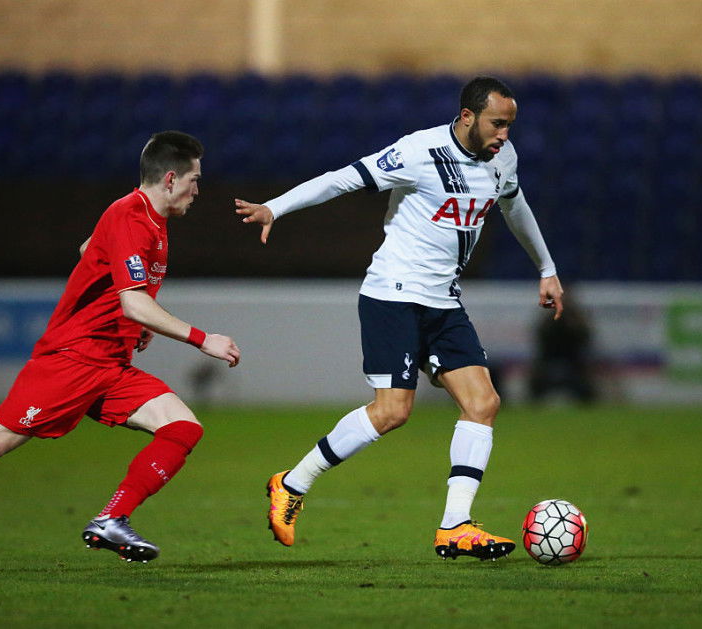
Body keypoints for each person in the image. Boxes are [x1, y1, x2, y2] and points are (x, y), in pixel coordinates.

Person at [0, 131, 241, 575]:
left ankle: (112, 518)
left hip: (110, 365)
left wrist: (128, 324)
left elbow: (89, 252)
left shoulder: (150, 220)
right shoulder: (131, 215)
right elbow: (132, 298)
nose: (199, 190)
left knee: (183, 427)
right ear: (170, 178)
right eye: (195, 180)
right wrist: (201, 337)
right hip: (70, 361)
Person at [236, 76, 563, 561]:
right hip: (394, 295)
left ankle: (455, 526)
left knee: (483, 403)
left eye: (510, 125)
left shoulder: (503, 160)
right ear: (468, 117)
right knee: (392, 412)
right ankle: (292, 482)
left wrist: (547, 268)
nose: (505, 135)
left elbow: (516, 206)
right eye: (498, 123)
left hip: (444, 301)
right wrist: (274, 208)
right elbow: (342, 178)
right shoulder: (419, 151)